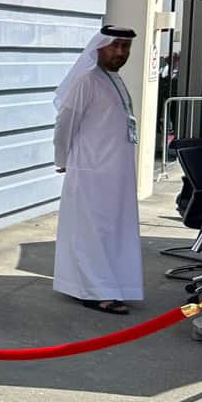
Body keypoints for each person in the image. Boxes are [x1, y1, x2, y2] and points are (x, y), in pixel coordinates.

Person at [52, 25, 142, 314]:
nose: (120, 52)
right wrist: (62, 159)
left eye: (125, 47)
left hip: (117, 176)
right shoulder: (86, 81)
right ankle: (95, 291)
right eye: (115, 45)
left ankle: (111, 285)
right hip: (90, 171)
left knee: (111, 232)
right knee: (92, 233)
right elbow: (65, 123)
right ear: (99, 47)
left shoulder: (114, 80)